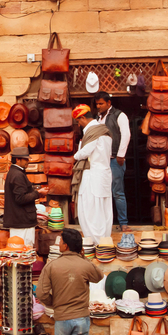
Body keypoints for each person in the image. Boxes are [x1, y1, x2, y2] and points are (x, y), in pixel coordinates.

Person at [70, 104, 113, 243]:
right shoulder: (104, 130)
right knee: (102, 209)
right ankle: (103, 241)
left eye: (78, 121)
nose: (78, 124)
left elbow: (85, 152)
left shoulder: (93, 131)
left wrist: (74, 157)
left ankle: (96, 242)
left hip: (93, 175)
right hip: (103, 174)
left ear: (82, 118)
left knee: (91, 210)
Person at [95, 92, 130, 229]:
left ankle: (123, 223)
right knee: (103, 192)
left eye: (101, 103)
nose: (98, 106)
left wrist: (121, 155)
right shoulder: (98, 118)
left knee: (117, 192)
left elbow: (126, 134)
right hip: (101, 161)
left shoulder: (119, 115)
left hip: (115, 159)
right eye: (97, 104)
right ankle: (106, 224)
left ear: (109, 103)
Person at [3, 146, 47, 245]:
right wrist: (38, 193)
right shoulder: (17, 175)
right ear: (18, 159)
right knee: (23, 252)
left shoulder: (15, 173)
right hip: (21, 222)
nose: (28, 161)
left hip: (19, 221)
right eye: (25, 159)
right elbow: (20, 198)